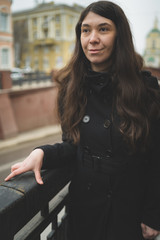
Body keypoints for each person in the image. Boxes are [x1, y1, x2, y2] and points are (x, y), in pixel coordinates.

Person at [5, 1, 160, 239]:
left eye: (103, 29)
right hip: (84, 211)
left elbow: (156, 157)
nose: (92, 38)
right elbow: (73, 144)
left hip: (129, 211)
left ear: (120, 36)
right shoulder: (71, 87)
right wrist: (43, 153)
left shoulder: (145, 90)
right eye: (85, 30)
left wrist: (153, 214)